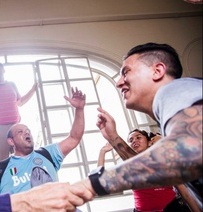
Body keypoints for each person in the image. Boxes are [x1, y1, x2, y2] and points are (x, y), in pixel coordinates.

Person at [68, 43, 202, 210]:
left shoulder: (175, 91)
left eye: (125, 72)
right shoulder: (175, 107)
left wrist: (90, 185)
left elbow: (189, 150)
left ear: (157, 71)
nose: (118, 83)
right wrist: (113, 138)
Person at [0, 87, 85, 197]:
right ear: (11, 141)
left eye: (28, 131)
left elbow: (74, 138)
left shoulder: (47, 154)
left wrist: (79, 110)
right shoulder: (2, 169)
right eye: (20, 132)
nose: (27, 133)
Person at [97, 129, 181, 211]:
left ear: (149, 142)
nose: (134, 141)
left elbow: (184, 191)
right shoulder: (127, 167)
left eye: (138, 137)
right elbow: (99, 180)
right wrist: (102, 151)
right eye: (131, 140)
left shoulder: (163, 160)